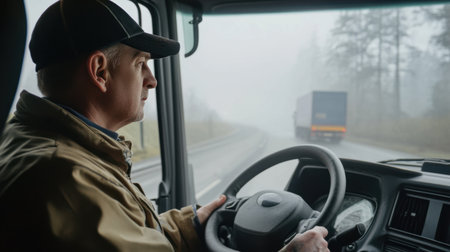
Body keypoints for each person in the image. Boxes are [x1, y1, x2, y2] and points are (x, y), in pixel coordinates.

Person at [0, 0, 329, 251]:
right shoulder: (63, 179)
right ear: (100, 71)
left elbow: (130, 237)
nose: (153, 80)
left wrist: (194, 225)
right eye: (140, 63)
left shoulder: (51, 148)